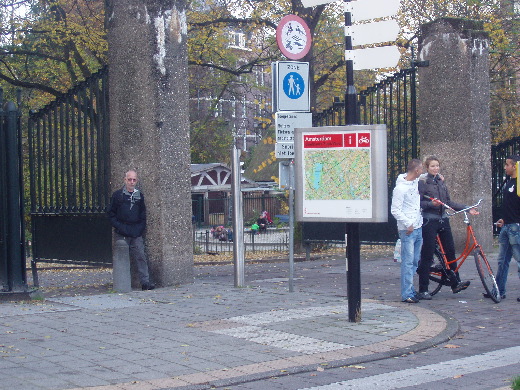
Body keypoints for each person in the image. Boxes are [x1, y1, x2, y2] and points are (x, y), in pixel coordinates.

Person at [416, 155, 477, 299]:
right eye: (432, 166)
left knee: (450, 251)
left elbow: (448, 202)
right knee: (427, 253)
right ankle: (423, 289)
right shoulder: (423, 182)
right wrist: (432, 204)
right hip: (429, 221)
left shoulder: (441, 182)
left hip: (443, 219)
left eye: (437, 166)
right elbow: (419, 203)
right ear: (427, 167)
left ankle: (456, 282)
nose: (435, 168)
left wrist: (467, 208)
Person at [108, 170, 155, 290]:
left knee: (140, 256)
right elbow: (111, 214)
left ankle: (145, 282)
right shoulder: (117, 195)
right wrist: (119, 226)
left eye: (134, 180)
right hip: (121, 231)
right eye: (129, 179)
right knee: (122, 257)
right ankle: (122, 284)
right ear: (125, 180)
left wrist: (139, 229)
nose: (132, 182)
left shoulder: (139, 196)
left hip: (135, 232)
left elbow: (143, 215)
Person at [485, 155, 520, 301]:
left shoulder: (518, 183)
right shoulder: (509, 181)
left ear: (515, 166)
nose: (505, 167)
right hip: (506, 226)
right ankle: (498, 290)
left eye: (507, 165)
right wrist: (504, 219)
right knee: (502, 260)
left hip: (516, 228)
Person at [391, 159, 424, 303]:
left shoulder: (415, 181)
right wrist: (408, 223)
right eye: (421, 169)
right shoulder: (400, 189)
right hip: (408, 230)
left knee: (415, 261)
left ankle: (410, 289)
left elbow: (425, 176)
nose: (422, 171)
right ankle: (407, 293)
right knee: (408, 262)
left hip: (418, 226)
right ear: (416, 170)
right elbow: (395, 210)